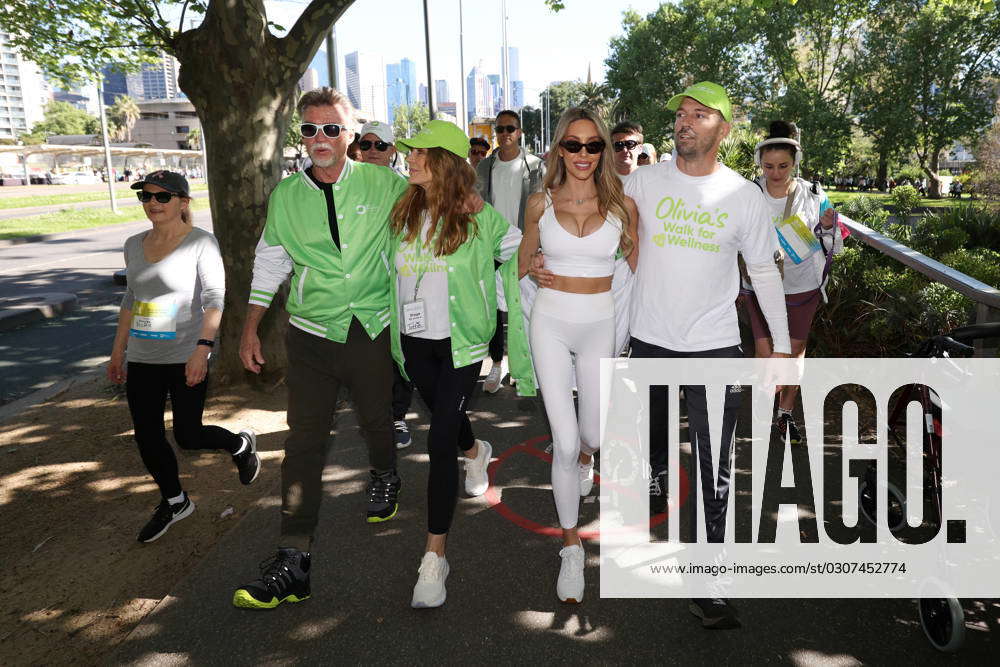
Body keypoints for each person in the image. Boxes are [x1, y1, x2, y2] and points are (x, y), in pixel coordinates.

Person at [602, 82, 790, 628]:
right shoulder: (642, 181)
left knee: (715, 465)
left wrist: (779, 347)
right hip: (650, 344)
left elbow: (762, 274)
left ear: (723, 129)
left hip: (713, 347)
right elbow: (603, 237)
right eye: (680, 113)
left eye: (699, 114)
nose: (684, 122)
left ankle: (708, 580)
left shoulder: (743, 196)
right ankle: (655, 474)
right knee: (653, 438)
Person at [233, 88, 406, 610]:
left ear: (351, 134)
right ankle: (293, 558)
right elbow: (270, 263)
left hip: (369, 327)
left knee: (377, 420)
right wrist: (249, 329)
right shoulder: (287, 196)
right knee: (303, 445)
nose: (320, 139)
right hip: (309, 335)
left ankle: (384, 471)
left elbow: (432, 217)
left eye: (332, 129)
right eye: (310, 130)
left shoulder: (385, 183)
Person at [389, 120, 536, 607]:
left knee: (438, 437)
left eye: (419, 153)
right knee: (449, 423)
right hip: (413, 341)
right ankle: (477, 451)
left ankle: (434, 558)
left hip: (462, 344)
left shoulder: (480, 217)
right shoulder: (403, 209)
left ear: (444, 163)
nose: (408, 158)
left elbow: (521, 249)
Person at [519, 107, 638, 603]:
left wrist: (626, 335)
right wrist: (536, 268)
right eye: (574, 144)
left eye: (593, 145)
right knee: (564, 443)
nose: (584, 154)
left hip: (600, 325)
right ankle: (571, 548)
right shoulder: (538, 204)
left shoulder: (623, 207)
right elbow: (522, 262)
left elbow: (633, 270)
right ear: (559, 149)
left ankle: (588, 454)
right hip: (550, 321)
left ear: (603, 151)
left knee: (590, 435)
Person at [107, 170, 259, 543]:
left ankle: (239, 445)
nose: (153, 203)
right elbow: (131, 299)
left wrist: (202, 351)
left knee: (188, 435)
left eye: (162, 196)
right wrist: (117, 352)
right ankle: (175, 501)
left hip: (185, 354)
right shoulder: (133, 244)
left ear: (183, 202)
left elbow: (214, 300)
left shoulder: (201, 243)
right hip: (143, 356)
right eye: (146, 196)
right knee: (147, 436)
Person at [742, 121, 843, 444]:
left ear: (794, 162)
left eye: (783, 166)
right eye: (769, 166)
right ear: (760, 163)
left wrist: (828, 226)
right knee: (765, 350)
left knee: (795, 351)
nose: (776, 172)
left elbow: (834, 243)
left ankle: (784, 414)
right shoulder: (748, 194)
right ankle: (763, 406)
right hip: (758, 287)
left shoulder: (814, 195)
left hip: (802, 287)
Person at [475, 110, 545, 394]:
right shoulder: (484, 167)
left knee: (524, 310)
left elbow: (541, 210)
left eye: (510, 128)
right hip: (491, 247)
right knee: (491, 308)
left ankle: (527, 363)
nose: (505, 134)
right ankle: (495, 363)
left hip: (522, 246)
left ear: (519, 132)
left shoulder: (535, 167)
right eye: (500, 129)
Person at [357, 119, 415, 449]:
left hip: (398, 286)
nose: (374, 151)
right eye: (367, 144)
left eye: (381, 145)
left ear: (392, 151)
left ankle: (398, 416)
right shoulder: (343, 186)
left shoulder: (407, 189)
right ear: (358, 149)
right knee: (367, 361)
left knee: (399, 357)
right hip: (359, 291)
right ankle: (377, 416)